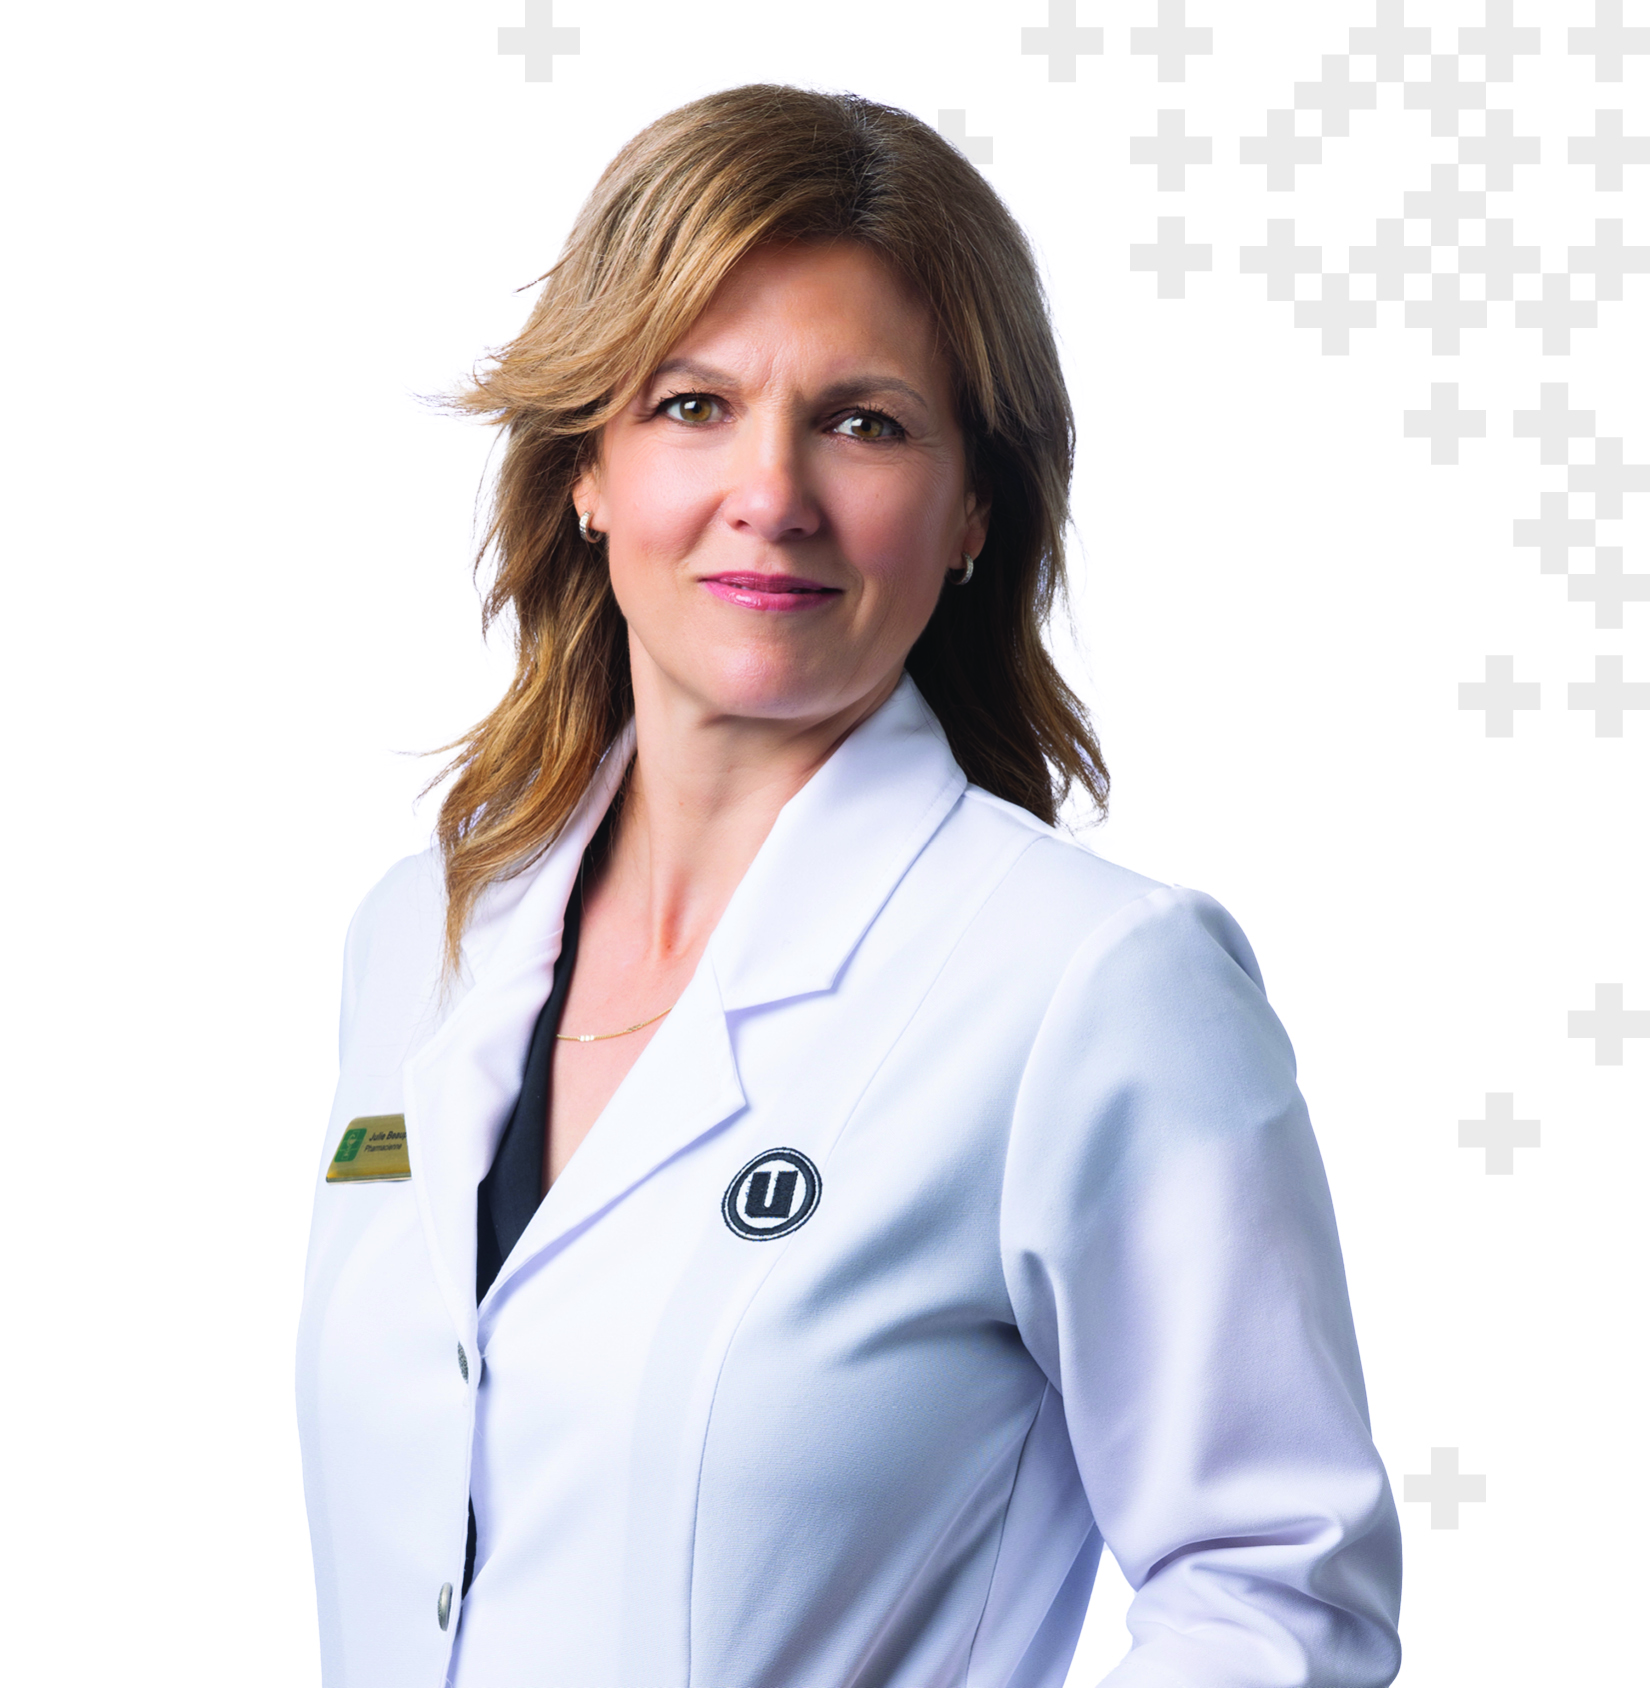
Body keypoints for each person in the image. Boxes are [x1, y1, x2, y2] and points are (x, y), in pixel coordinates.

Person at [295, 84, 1402, 1688]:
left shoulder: (1090, 988)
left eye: (864, 422)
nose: (772, 493)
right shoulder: (421, 937)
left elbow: (1275, 1590)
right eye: (691, 405)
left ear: (970, 511)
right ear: (586, 468)